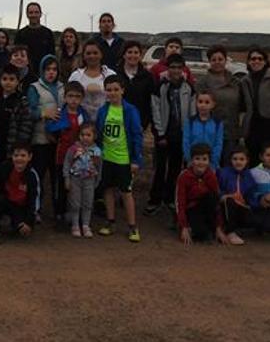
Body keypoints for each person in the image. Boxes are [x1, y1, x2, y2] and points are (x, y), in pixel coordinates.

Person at [95, 75, 144, 242]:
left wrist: (136, 159)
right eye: (109, 90)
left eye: (116, 89)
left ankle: (132, 226)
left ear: (122, 90)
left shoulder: (130, 110)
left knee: (126, 192)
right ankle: (110, 221)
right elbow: (99, 133)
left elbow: (137, 135)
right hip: (106, 157)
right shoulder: (103, 110)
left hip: (123, 158)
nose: (112, 93)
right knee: (108, 189)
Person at [146, 54, 195, 215]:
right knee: (160, 168)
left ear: (183, 69)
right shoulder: (160, 87)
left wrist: (189, 133)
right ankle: (155, 199)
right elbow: (155, 110)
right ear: (167, 69)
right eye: (172, 67)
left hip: (181, 134)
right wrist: (159, 134)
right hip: (164, 134)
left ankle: (169, 198)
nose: (175, 70)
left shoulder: (189, 88)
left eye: (178, 67)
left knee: (175, 168)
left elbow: (192, 112)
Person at [26, 55, 65, 226]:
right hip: (40, 139)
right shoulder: (34, 88)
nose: (51, 72)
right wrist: (44, 114)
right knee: (38, 177)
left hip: (59, 141)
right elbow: (30, 111)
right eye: (47, 69)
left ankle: (59, 212)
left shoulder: (63, 87)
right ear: (42, 70)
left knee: (58, 178)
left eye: (54, 69)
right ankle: (35, 210)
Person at [0, 143, 40, 245]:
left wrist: (29, 222)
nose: (19, 159)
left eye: (23, 155)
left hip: (20, 207)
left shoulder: (32, 176)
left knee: (22, 231)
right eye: (16, 155)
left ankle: (13, 223)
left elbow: (33, 200)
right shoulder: (6, 166)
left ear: (30, 157)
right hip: (6, 200)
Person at [195, 45, 243, 163]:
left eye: (220, 59)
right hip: (210, 132)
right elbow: (198, 107)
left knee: (228, 166)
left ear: (225, 60)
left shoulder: (235, 82)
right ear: (209, 61)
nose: (217, 62)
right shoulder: (203, 82)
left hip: (231, 131)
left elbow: (242, 106)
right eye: (214, 59)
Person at [46, 81, 89, 196]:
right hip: (62, 156)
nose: (74, 100)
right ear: (65, 97)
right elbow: (49, 129)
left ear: (82, 98)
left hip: (78, 156)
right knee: (61, 183)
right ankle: (59, 211)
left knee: (76, 184)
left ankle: (73, 210)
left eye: (77, 96)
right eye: (70, 96)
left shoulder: (84, 115)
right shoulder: (59, 114)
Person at [0, 64, 34, 164]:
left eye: (12, 79)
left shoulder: (22, 101)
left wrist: (18, 148)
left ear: (17, 81)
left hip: (12, 147)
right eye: (5, 79)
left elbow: (26, 126)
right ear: (0, 81)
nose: (8, 82)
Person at [176, 144, 221, 246]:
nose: (201, 162)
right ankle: (192, 228)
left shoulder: (211, 176)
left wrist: (219, 227)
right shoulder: (184, 177)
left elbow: (217, 203)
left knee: (212, 197)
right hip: (191, 209)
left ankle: (212, 229)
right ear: (191, 160)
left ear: (209, 161)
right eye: (197, 159)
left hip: (207, 209)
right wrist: (184, 226)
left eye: (204, 159)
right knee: (200, 233)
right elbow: (180, 202)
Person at [62, 122, 102, 238]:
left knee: (88, 203)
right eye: (82, 134)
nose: (85, 137)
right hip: (75, 179)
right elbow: (67, 163)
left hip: (89, 180)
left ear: (94, 136)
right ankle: (75, 225)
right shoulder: (73, 149)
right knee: (75, 203)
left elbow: (99, 166)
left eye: (88, 135)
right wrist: (67, 179)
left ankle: (85, 225)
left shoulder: (97, 151)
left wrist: (97, 180)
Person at [217, 146, 259, 246]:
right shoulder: (223, 173)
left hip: (242, 206)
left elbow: (252, 194)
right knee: (230, 201)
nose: (238, 162)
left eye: (241, 159)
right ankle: (230, 232)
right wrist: (224, 196)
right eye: (235, 159)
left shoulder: (249, 176)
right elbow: (217, 189)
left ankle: (236, 228)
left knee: (263, 223)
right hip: (226, 204)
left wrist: (251, 203)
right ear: (230, 160)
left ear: (247, 160)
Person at [68, 39, 116, 120]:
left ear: (101, 54)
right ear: (83, 55)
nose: (92, 56)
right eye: (88, 53)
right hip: (81, 123)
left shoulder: (110, 75)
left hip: (105, 121)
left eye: (95, 53)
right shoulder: (76, 76)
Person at [117, 40, 154, 135]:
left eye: (136, 52)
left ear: (140, 55)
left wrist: (144, 124)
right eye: (129, 52)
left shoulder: (147, 76)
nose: (133, 55)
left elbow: (149, 102)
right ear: (124, 55)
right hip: (117, 121)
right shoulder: (115, 74)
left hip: (138, 123)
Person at [182, 91, 224, 169]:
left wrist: (213, 162)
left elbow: (218, 143)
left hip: (211, 163)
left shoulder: (218, 123)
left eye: (207, 102)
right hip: (193, 163)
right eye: (200, 102)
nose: (203, 105)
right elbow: (186, 141)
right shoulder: (190, 121)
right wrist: (190, 160)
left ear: (213, 104)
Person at [14, 2, 55, 74]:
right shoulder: (20, 34)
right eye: (31, 12)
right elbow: (17, 56)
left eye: (36, 12)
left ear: (40, 14)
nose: (33, 15)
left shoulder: (48, 33)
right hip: (25, 74)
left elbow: (51, 56)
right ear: (27, 14)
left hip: (43, 74)